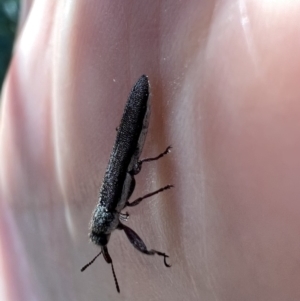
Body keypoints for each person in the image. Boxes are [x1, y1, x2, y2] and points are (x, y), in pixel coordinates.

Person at [1, 1, 300, 300]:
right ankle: (158, 252)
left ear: (105, 224)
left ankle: (156, 243)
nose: (109, 238)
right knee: (134, 170)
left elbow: (137, 193)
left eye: (106, 236)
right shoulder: (109, 205)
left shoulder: (112, 203)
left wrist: (158, 178)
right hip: (130, 146)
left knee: (133, 167)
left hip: (134, 133)